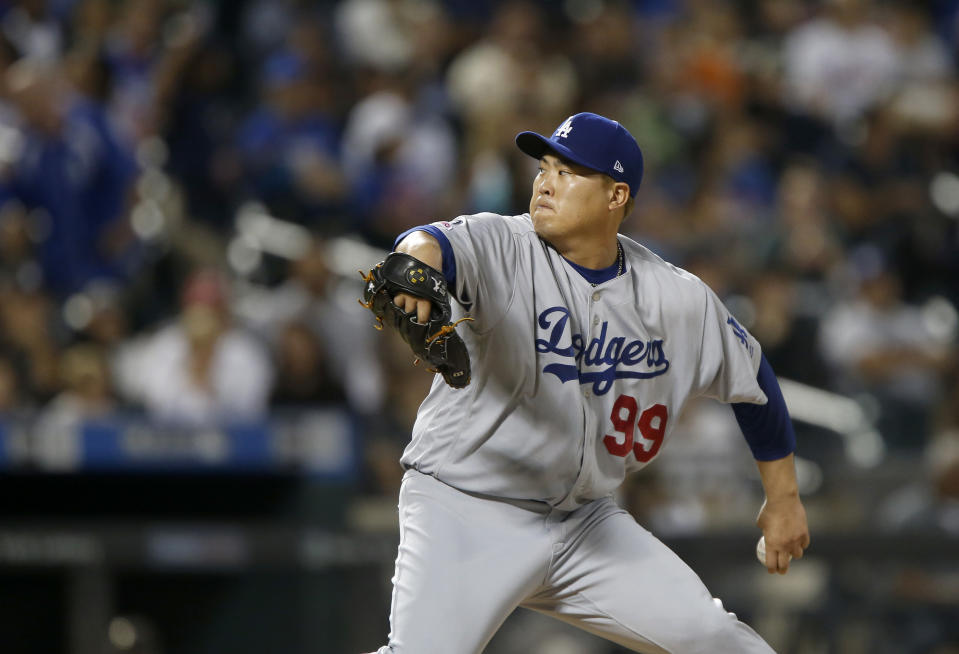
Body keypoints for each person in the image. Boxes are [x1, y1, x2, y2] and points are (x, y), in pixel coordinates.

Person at [365, 112, 810, 654]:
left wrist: (783, 499)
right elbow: (428, 242)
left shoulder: (675, 297)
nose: (545, 181)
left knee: (714, 639)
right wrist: (417, 268)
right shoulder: (505, 244)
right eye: (544, 166)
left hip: (584, 522)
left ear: (616, 194)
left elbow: (754, 379)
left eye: (569, 171)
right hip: (466, 506)